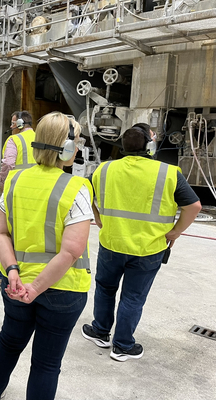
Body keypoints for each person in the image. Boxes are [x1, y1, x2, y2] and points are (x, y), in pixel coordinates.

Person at [0, 112, 92, 400]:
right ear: (68, 148)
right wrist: (36, 288)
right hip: (63, 290)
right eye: (77, 141)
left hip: (16, 287)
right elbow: (72, 251)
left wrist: (12, 271)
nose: (79, 147)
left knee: (8, 344)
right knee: (46, 364)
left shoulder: (16, 180)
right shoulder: (76, 187)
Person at [81, 124, 201, 362]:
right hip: (149, 249)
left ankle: (101, 332)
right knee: (133, 297)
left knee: (105, 288)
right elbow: (194, 206)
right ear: (150, 145)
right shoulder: (168, 172)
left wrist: (96, 215)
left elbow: (84, 192)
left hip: (111, 243)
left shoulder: (104, 169)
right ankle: (123, 345)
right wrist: (176, 232)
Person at [0, 110, 36, 289]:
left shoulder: (15, 140)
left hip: (16, 190)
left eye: (13, 123)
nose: (10, 126)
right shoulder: (40, 137)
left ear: (19, 124)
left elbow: (9, 163)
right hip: (37, 190)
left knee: (3, 231)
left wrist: (2, 181)